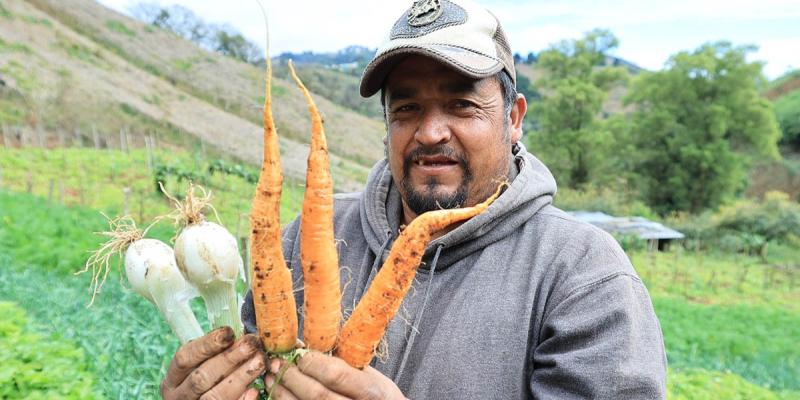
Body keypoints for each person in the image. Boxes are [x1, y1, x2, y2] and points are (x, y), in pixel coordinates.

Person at [160, 0, 667, 398]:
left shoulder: (582, 273)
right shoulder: (304, 238)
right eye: (406, 108)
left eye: (461, 104)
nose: (429, 132)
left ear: (513, 118)